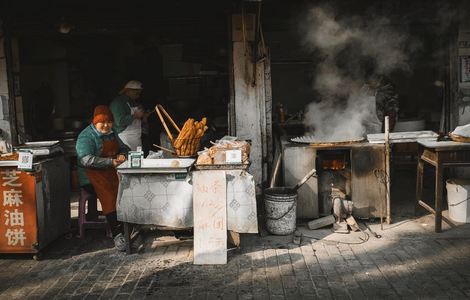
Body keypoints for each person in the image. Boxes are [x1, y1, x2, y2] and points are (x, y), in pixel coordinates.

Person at [76, 105, 129, 251]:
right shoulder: (86, 136)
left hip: (110, 171)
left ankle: (127, 224)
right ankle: (117, 234)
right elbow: (85, 160)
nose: (106, 125)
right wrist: (109, 162)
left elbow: (124, 147)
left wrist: (122, 153)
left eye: (109, 122)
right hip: (90, 176)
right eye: (102, 122)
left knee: (127, 187)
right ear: (95, 122)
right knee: (110, 195)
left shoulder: (112, 133)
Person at [109, 80, 145, 150]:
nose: (138, 95)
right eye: (136, 93)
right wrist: (135, 116)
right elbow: (119, 122)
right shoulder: (118, 103)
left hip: (135, 136)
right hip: (124, 137)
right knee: (129, 158)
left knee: (138, 158)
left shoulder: (132, 101)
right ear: (128, 91)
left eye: (139, 93)